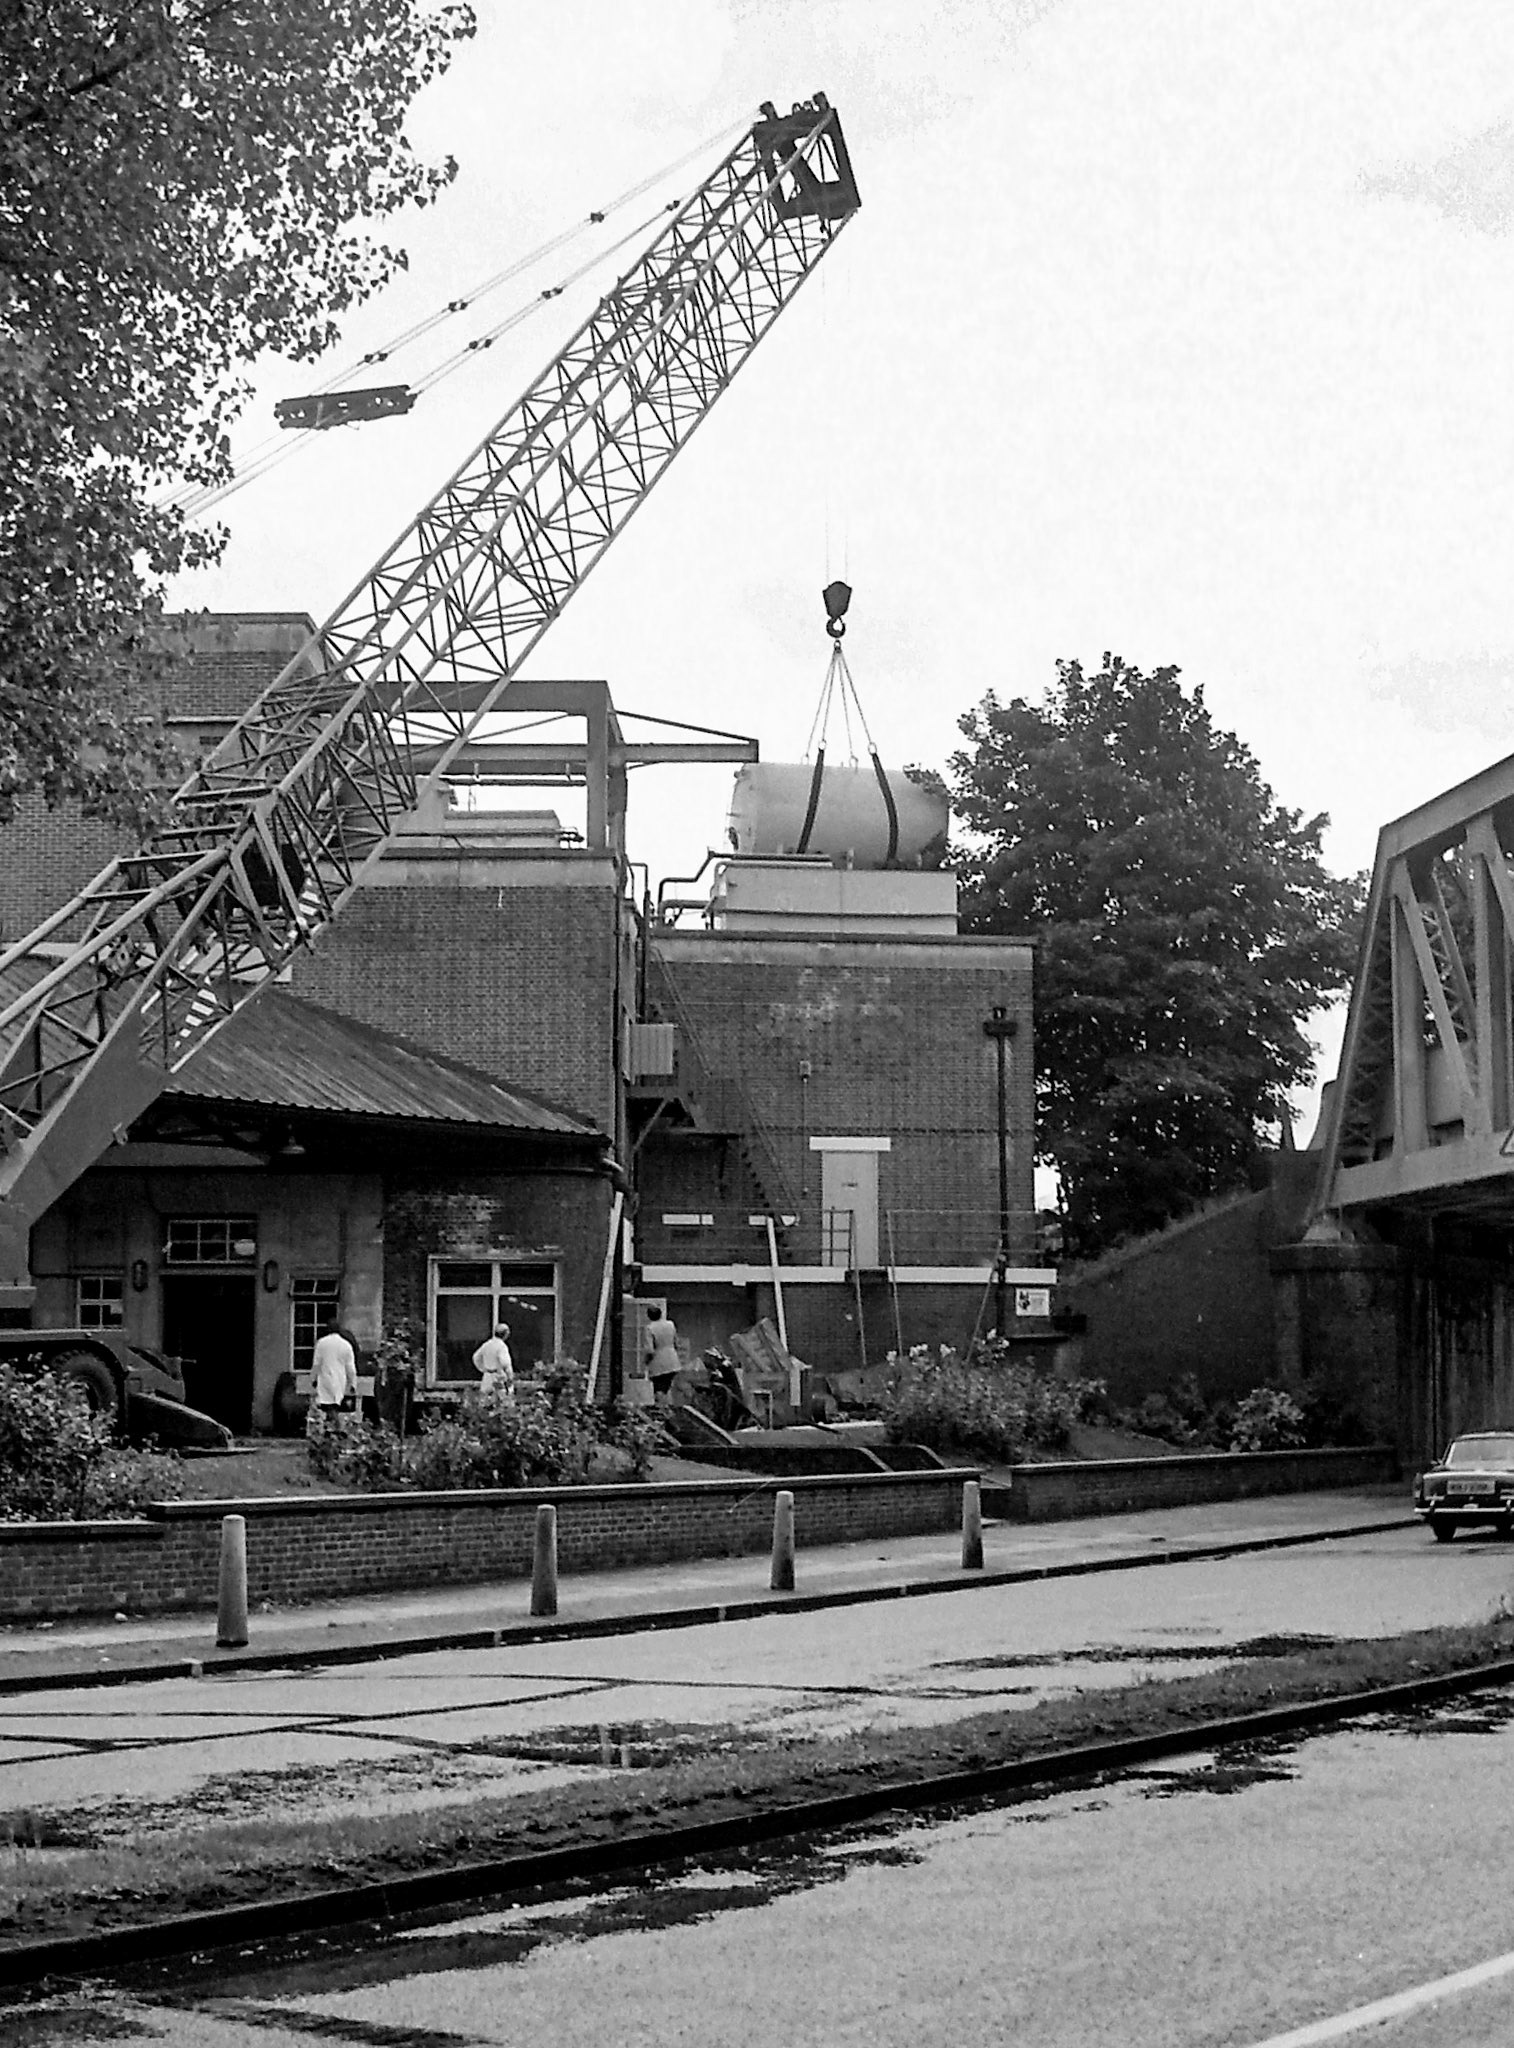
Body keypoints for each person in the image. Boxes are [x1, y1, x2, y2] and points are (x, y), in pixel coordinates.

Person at [310, 1317, 357, 1432]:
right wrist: (353, 1383)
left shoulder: (321, 1343)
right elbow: (350, 1368)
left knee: (327, 1405)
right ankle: (335, 1429)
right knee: (334, 1405)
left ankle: (335, 1428)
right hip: (340, 1379)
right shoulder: (346, 1345)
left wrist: (313, 1378)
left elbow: (316, 1364)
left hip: (325, 1378)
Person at [643, 1303, 681, 1405]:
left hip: (658, 1362)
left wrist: (646, 1362)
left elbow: (650, 1350)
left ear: (649, 1316)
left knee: (659, 1388)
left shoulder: (650, 1328)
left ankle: (661, 1407)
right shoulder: (670, 1324)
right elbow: (676, 1342)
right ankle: (669, 1406)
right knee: (669, 1387)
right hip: (673, 1360)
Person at [472, 1320, 515, 1402]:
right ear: (505, 1334)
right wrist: (510, 1377)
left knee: (485, 1400)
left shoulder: (487, 1344)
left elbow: (476, 1357)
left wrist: (483, 1368)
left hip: (487, 1376)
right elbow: (505, 1363)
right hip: (498, 1377)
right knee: (503, 1401)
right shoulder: (502, 1346)